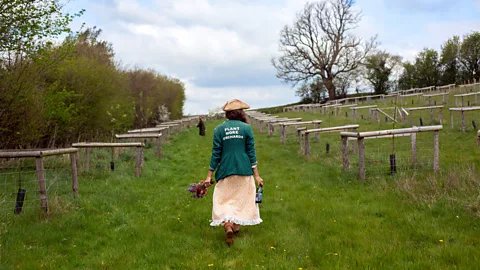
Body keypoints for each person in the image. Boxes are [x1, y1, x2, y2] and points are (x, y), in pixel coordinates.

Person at [203, 99, 263, 246]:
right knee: (240, 201)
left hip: (225, 170)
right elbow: (251, 153)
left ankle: (228, 225)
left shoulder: (218, 130)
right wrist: (257, 175)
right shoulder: (246, 129)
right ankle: (235, 229)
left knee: (223, 200)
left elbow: (216, 154)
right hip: (244, 169)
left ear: (227, 114)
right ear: (241, 113)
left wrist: (209, 175)